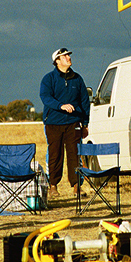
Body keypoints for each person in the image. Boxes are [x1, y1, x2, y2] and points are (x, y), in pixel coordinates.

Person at [40, 48, 90, 197]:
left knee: (74, 154)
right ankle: (53, 186)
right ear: (57, 61)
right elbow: (45, 97)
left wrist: (85, 123)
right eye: (65, 56)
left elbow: (84, 101)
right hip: (54, 123)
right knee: (55, 155)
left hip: (73, 123)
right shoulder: (48, 79)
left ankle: (76, 186)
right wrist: (60, 106)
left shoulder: (77, 79)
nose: (68, 58)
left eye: (68, 55)